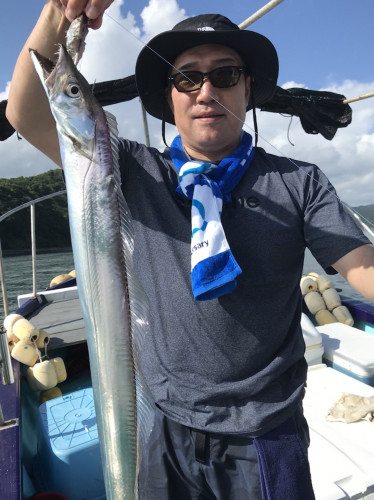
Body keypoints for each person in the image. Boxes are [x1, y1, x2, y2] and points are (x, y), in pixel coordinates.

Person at [6, 2, 374, 499]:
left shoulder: (298, 184)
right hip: (163, 425)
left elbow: (363, 265)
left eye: (225, 75)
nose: (206, 91)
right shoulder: (129, 172)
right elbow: (25, 113)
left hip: (264, 434)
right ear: (170, 96)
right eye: (187, 79)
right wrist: (57, 14)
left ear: (248, 89)